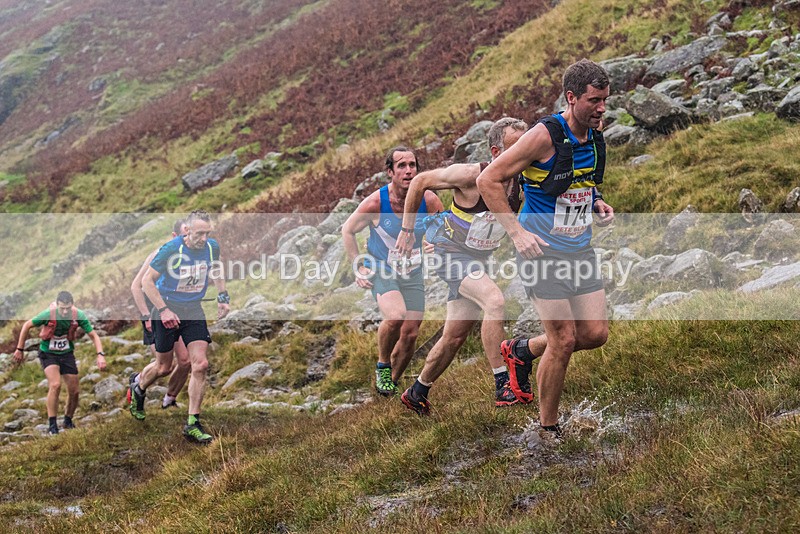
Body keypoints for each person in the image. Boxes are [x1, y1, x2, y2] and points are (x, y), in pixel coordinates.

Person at [477, 59, 615, 440]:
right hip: (542, 255)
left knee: (595, 333)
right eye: (594, 100)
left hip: (579, 249)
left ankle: (521, 350)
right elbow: (488, 179)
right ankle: (547, 428)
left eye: (605, 99)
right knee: (564, 340)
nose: (602, 108)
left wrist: (596, 202)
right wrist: (517, 232)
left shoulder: (594, 132)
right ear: (571, 98)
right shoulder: (543, 136)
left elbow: (578, 179)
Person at [395, 117, 528, 415]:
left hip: (479, 259)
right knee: (495, 301)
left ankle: (417, 391)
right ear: (495, 152)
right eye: (514, 148)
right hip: (449, 253)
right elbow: (419, 181)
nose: (523, 155)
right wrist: (407, 231)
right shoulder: (469, 175)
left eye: (526, 146)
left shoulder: (524, 179)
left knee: (454, 336)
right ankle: (503, 384)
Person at [342, 146, 444, 396]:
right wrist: (359, 266)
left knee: (410, 334)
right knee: (396, 316)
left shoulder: (428, 199)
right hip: (381, 268)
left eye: (413, 165)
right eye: (402, 166)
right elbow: (347, 230)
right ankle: (383, 365)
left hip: (412, 270)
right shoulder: (376, 202)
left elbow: (444, 229)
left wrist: (436, 241)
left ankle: (391, 385)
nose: (409, 171)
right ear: (390, 172)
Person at [127, 210, 230, 444]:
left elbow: (216, 269)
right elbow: (145, 282)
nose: (203, 238)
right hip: (166, 308)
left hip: (193, 309)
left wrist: (223, 296)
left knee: (200, 364)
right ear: (187, 231)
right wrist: (163, 311)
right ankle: (139, 387)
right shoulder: (171, 249)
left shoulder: (212, 247)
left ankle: (193, 423)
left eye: (207, 233)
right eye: (199, 233)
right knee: (163, 367)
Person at [12, 291, 106, 435]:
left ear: (72, 306)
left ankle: (68, 420)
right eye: (62, 308)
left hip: (67, 353)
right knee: (55, 385)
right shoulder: (48, 314)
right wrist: (20, 349)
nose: (64, 311)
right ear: (57, 305)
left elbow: (94, 336)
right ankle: (52, 425)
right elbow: (26, 325)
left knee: (74, 391)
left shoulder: (78, 315)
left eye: (67, 308)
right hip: (48, 353)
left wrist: (100, 355)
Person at [129, 218, 190, 409]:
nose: (188, 239)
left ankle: (169, 400)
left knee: (186, 361)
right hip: (154, 314)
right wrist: (146, 316)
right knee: (164, 367)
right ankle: (138, 382)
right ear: (174, 236)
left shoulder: (192, 254)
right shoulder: (159, 254)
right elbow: (136, 286)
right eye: (184, 235)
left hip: (174, 312)